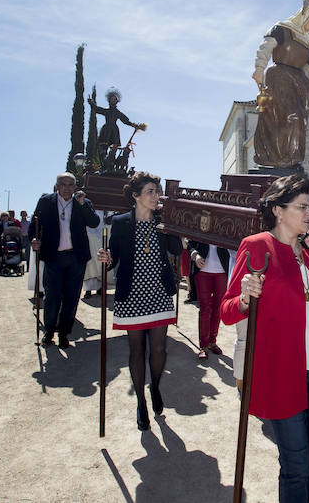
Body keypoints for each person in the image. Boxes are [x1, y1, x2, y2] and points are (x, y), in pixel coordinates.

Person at [221, 175, 309, 503]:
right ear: (278, 210)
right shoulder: (256, 246)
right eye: (302, 207)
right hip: (282, 374)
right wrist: (247, 298)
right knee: (295, 465)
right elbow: (227, 310)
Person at [96, 172, 180, 431]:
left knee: (158, 349)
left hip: (159, 293)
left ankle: (154, 386)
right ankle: (141, 402)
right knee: (136, 350)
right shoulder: (119, 223)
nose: (156, 196)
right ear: (136, 196)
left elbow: (176, 250)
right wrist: (105, 257)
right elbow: (115, 258)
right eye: (150, 192)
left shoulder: (162, 221)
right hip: (131, 295)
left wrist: (173, 226)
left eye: (157, 191)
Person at [251, 0, 309, 169]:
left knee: (301, 120)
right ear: (304, 14)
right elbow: (265, 48)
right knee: (289, 117)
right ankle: (275, 158)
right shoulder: (281, 29)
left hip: (298, 82)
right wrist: (259, 68)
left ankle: (291, 159)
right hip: (277, 77)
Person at [31, 173, 100, 348]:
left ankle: (64, 333)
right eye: (63, 184)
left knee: (71, 297)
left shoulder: (83, 202)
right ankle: (48, 331)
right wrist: (34, 239)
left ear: (75, 186)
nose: (67, 188)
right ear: (57, 186)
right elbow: (35, 224)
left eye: (71, 184)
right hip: (54, 256)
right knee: (52, 295)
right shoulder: (46, 201)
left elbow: (94, 222)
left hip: (76, 258)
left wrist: (83, 205)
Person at [187, 240, 234, 360]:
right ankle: (204, 345)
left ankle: (212, 341)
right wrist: (195, 255)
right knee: (205, 308)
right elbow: (190, 243)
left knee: (218, 308)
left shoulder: (228, 223)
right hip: (202, 271)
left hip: (222, 272)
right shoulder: (202, 221)